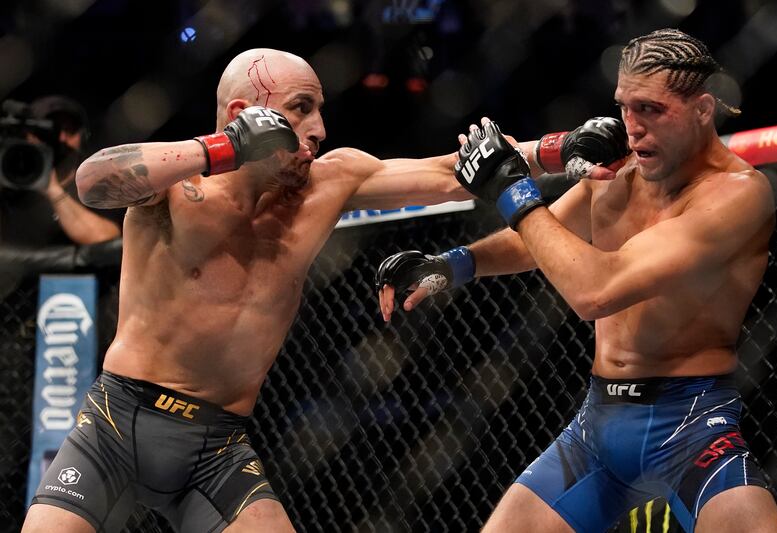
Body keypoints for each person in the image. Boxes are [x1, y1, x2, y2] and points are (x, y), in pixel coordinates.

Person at [22, 48, 599, 533]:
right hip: (118, 422)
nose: (319, 130)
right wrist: (221, 148)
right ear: (246, 115)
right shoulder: (178, 187)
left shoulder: (330, 181)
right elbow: (95, 181)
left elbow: (456, 170)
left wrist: (563, 146)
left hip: (216, 447)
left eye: (320, 109)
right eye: (301, 109)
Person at [375, 29, 777, 532]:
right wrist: (451, 264)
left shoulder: (738, 195)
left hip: (692, 427)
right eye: (624, 107)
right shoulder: (624, 173)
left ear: (703, 110)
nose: (631, 128)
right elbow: (539, 239)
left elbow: (596, 290)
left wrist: (510, 189)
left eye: (651, 109)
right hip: (597, 425)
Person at [0, 95, 121, 246]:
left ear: (83, 137)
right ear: (29, 136)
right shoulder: (9, 176)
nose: (61, 138)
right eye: (50, 131)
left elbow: (108, 241)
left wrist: (51, 188)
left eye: (69, 130)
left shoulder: (99, 184)